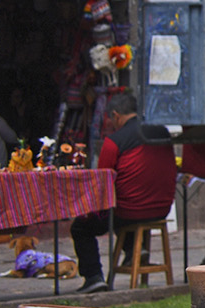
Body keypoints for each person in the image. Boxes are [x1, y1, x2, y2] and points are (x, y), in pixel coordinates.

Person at [68, 92, 176, 293]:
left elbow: (102, 182)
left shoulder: (115, 141)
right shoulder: (162, 131)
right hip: (162, 208)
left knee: (81, 227)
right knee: (125, 201)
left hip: (129, 211)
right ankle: (134, 250)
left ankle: (93, 277)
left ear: (116, 115)